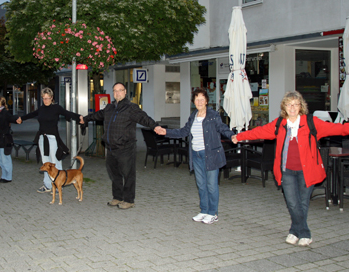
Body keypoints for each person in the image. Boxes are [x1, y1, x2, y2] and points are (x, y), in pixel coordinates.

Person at [232, 91, 349, 246]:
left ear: (301, 106)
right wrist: (240, 136)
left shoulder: (311, 122)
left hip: (306, 171)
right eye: (289, 104)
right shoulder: (279, 124)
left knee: (302, 203)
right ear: (284, 107)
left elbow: (335, 128)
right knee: (292, 203)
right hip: (286, 171)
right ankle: (304, 232)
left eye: (296, 104)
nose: (293, 107)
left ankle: (294, 231)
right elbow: (259, 132)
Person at [155, 88, 234, 224]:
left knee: (211, 185)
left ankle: (212, 213)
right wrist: (166, 132)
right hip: (196, 154)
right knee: (201, 184)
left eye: (202, 99)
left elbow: (222, 128)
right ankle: (204, 210)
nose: (199, 102)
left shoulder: (213, 115)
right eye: (197, 99)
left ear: (207, 101)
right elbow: (183, 131)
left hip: (211, 155)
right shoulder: (193, 116)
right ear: (193, 102)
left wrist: (232, 136)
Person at [81, 82, 162, 210]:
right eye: (115, 90)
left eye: (120, 90)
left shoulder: (131, 108)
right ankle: (117, 197)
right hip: (111, 148)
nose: (117, 93)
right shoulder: (109, 108)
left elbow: (144, 118)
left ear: (125, 92)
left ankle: (129, 200)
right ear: (113, 93)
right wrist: (85, 119)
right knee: (114, 174)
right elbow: (97, 115)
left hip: (125, 148)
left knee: (128, 174)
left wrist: (155, 126)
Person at [19, 88, 82, 193]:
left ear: (52, 98)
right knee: (45, 163)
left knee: (55, 161)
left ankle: (58, 185)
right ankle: (47, 185)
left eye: (47, 98)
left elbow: (67, 113)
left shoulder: (56, 108)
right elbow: (32, 114)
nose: (45, 100)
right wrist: (21, 118)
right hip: (42, 138)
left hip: (52, 138)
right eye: (43, 98)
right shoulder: (41, 109)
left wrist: (79, 117)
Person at [0, 96, 20, 183]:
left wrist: (18, 119)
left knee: (5, 159)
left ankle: (8, 177)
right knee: (0, 160)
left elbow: (12, 118)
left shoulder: (4, 112)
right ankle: (4, 176)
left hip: (4, 139)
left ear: (0, 102)